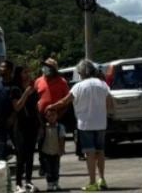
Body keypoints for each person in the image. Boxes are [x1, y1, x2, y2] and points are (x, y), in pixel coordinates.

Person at [46, 60, 113, 192]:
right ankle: (102, 179)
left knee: (90, 153)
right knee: (100, 152)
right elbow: (109, 104)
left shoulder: (78, 86)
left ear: (81, 72)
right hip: (101, 123)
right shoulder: (103, 84)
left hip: (85, 124)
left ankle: (92, 182)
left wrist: (52, 106)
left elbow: (65, 101)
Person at [34, 58, 69, 177]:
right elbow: (35, 98)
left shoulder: (62, 82)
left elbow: (67, 101)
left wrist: (58, 116)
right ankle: (43, 165)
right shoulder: (38, 81)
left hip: (57, 118)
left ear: (54, 69)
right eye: (44, 66)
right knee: (42, 142)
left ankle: (54, 169)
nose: (45, 69)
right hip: (41, 118)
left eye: (48, 67)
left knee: (55, 144)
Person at [10, 65, 40, 193]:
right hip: (20, 125)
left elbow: (36, 108)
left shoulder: (33, 89)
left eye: (28, 72)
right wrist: (26, 93)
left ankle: (28, 181)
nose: (27, 75)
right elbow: (17, 107)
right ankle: (18, 183)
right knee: (21, 155)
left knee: (30, 155)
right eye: (24, 72)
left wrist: (41, 125)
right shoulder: (15, 89)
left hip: (32, 124)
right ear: (18, 74)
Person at [38, 109, 66, 192]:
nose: (51, 117)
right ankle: (49, 184)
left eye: (53, 115)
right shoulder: (44, 127)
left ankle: (56, 183)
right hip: (46, 151)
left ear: (56, 116)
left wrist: (61, 149)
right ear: (46, 117)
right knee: (48, 169)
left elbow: (62, 139)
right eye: (49, 115)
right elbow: (40, 139)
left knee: (56, 168)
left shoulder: (60, 127)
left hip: (56, 151)